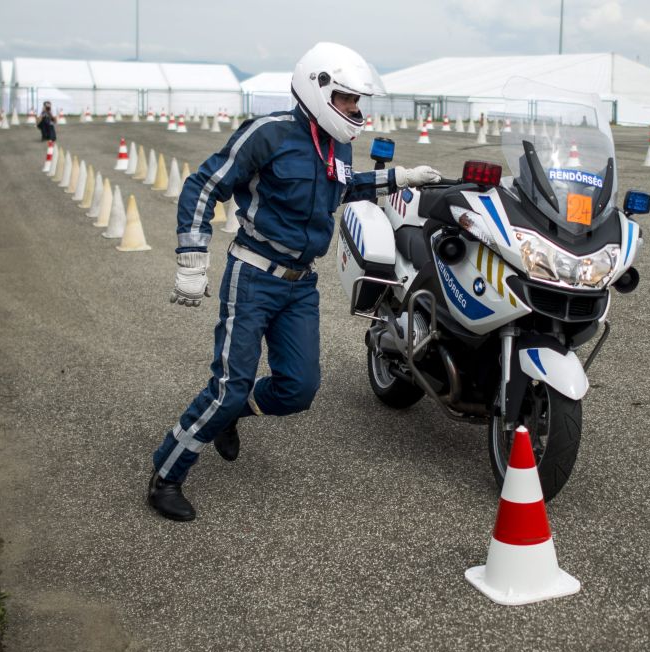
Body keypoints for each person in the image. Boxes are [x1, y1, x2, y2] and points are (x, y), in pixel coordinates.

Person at [147, 42, 442, 521]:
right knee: (229, 385)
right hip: (253, 275)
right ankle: (167, 474)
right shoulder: (268, 134)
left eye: (358, 100)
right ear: (318, 87)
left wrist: (400, 178)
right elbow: (205, 184)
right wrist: (191, 257)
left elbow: (342, 186)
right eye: (348, 98)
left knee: (298, 389)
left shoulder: (338, 142)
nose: (356, 109)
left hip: (300, 284)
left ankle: (231, 417)